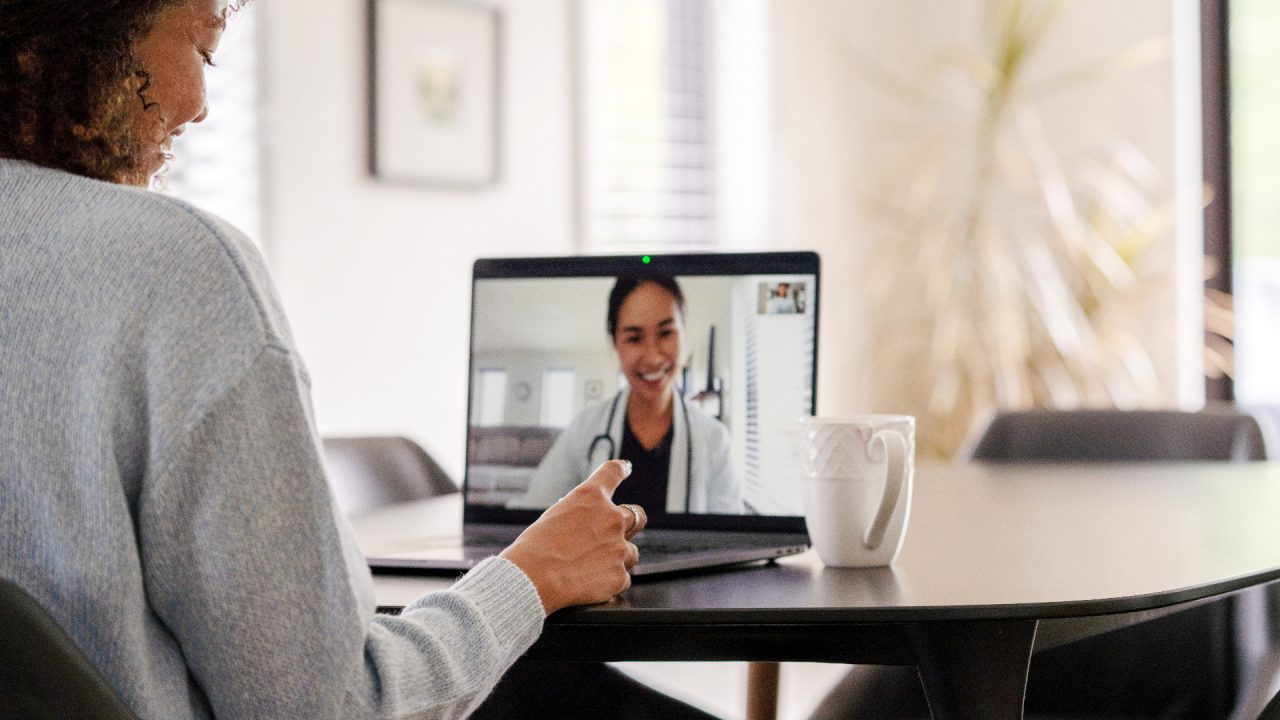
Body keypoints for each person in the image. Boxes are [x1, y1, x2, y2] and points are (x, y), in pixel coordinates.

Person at [0, 1, 714, 717]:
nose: (199, 105)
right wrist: (530, 577)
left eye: (665, 334)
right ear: (85, 35)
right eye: (204, 48)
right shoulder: (176, 268)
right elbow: (334, 705)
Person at [512, 274, 743, 515]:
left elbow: (730, 540)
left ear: (684, 336)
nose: (653, 357)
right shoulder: (584, 430)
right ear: (616, 344)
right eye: (634, 338)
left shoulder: (715, 440)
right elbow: (535, 517)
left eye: (666, 333)